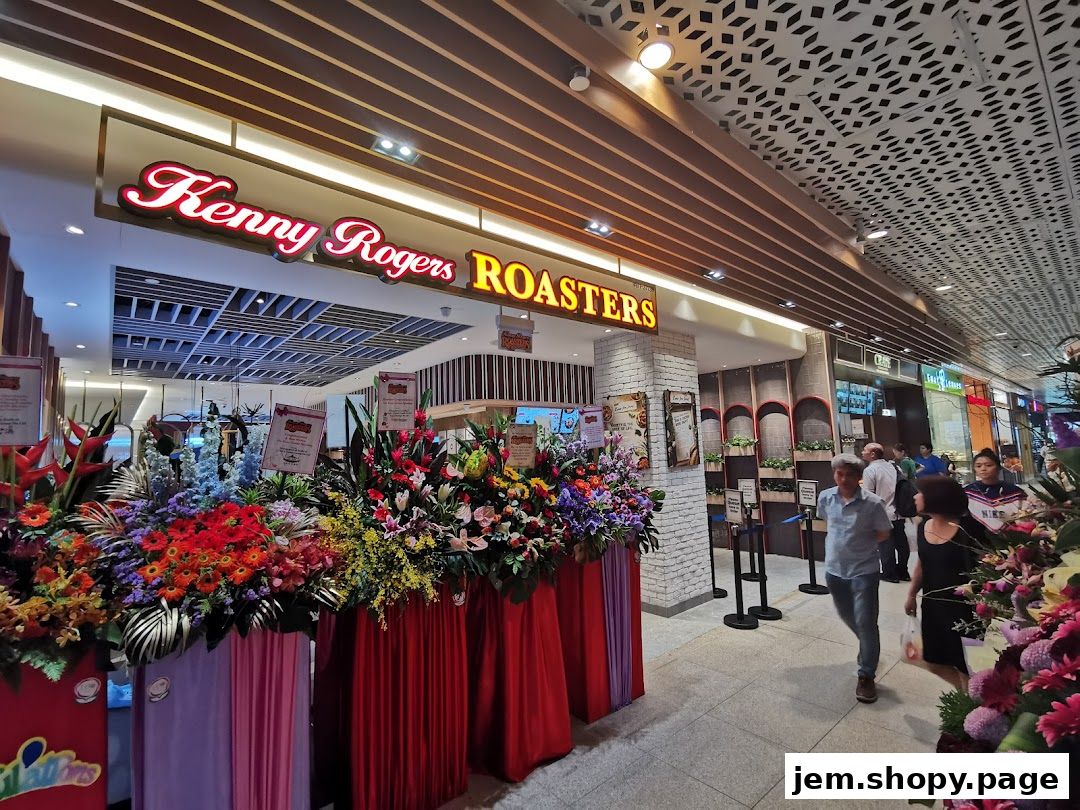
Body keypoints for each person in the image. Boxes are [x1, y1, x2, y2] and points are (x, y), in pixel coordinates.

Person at [818, 454, 893, 703]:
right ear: (834, 475)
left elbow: (883, 533)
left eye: (850, 474)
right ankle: (869, 645)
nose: (845, 479)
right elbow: (827, 522)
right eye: (840, 474)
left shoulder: (872, 503)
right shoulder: (826, 498)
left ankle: (866, 674)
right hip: (834, 569)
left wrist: (860, 546)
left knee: (865, 621)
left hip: (865, 570)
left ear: (859, 477)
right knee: (849, 617)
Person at [904, 477, 976, 690]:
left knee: (967, 665)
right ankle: (966, 698)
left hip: (965, 609)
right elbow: (922, 564)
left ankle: (972, 706)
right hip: (933, 604)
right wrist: (911, 594)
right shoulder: (923, 527)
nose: (915, 496)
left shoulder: (968, 530)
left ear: (935, 498)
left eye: (920, 493)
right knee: (934, 661)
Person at [860, 442, 908, 582]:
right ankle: (903, 571)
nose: (862, 452)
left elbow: (868, 495)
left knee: (886, 545)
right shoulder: (894, 466)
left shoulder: (870, 471)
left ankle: (889, 574)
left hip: (882, 513)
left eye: (865, 450)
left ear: (873, 454)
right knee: (901, 543)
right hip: (899, 511)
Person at [964, 448, 1026, 537]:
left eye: (988, 465)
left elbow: (1025, 515)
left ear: (998, 467)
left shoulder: (1014, 491)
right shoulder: (969, 491)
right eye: (978, 466)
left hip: (1011, 538)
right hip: (978, 538)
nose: (983, 469)